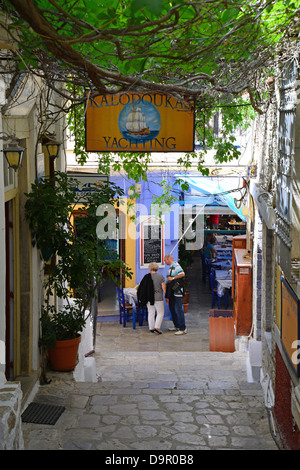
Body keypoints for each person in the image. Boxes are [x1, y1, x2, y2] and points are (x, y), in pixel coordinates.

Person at [137, 262, 166, 334]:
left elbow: (141, 286)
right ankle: (157, 327)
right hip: (158, 297)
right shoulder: (160, 276)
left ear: (149, 268)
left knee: (151, 312)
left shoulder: (146, 277)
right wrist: (166, 296)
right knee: (160, 312)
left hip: (149, 298)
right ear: (157, 268)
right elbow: (164, 287)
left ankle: (151, 328)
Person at [164, 254, 187, 335]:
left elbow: (182, 274)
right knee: (173, 309)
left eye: (165, 260)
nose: (164, 262)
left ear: (167, 259)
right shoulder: (171, 266)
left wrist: (173, 278)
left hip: (177, 292)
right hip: (172, 292)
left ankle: (182, 328)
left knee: (178, 309)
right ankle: (176, 325)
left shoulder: (176, 265)